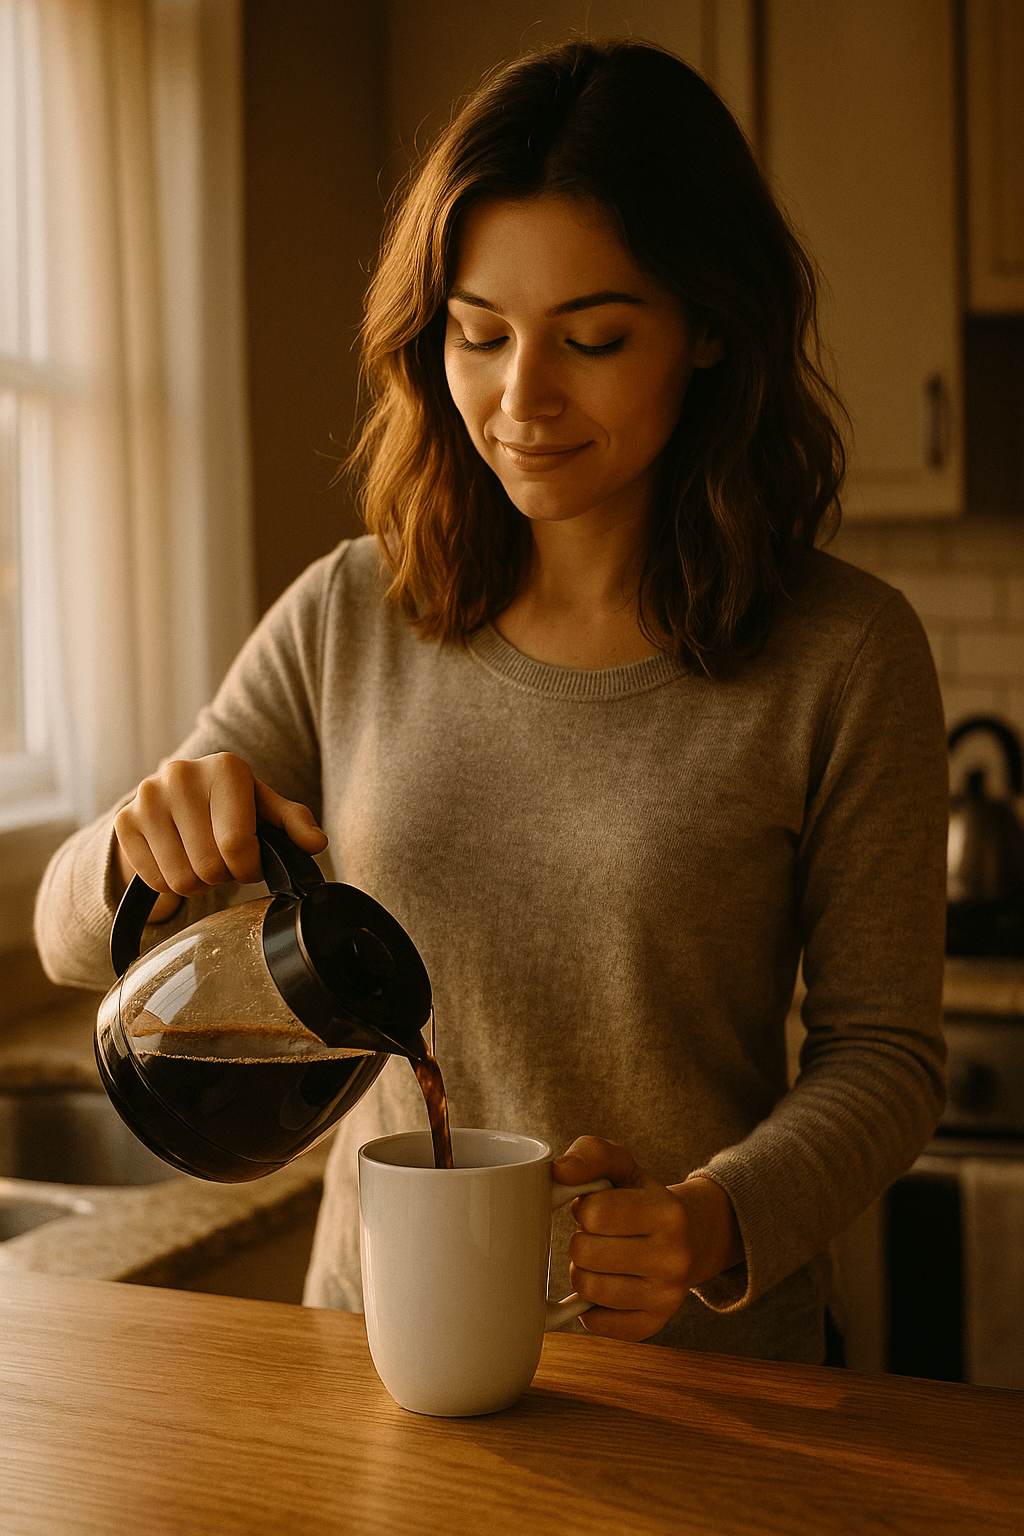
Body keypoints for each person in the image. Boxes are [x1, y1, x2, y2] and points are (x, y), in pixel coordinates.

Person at [34, 38, 948, 1364]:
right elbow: (73, 935)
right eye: (478, 335)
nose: (522, 401)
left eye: (592, 338)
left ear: (708, 328)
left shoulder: (846, 655)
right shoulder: (353, 613)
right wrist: (131, 843)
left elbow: (887, 1059)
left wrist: (711, 1222)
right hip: (381, 1369)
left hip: (700, 1381)